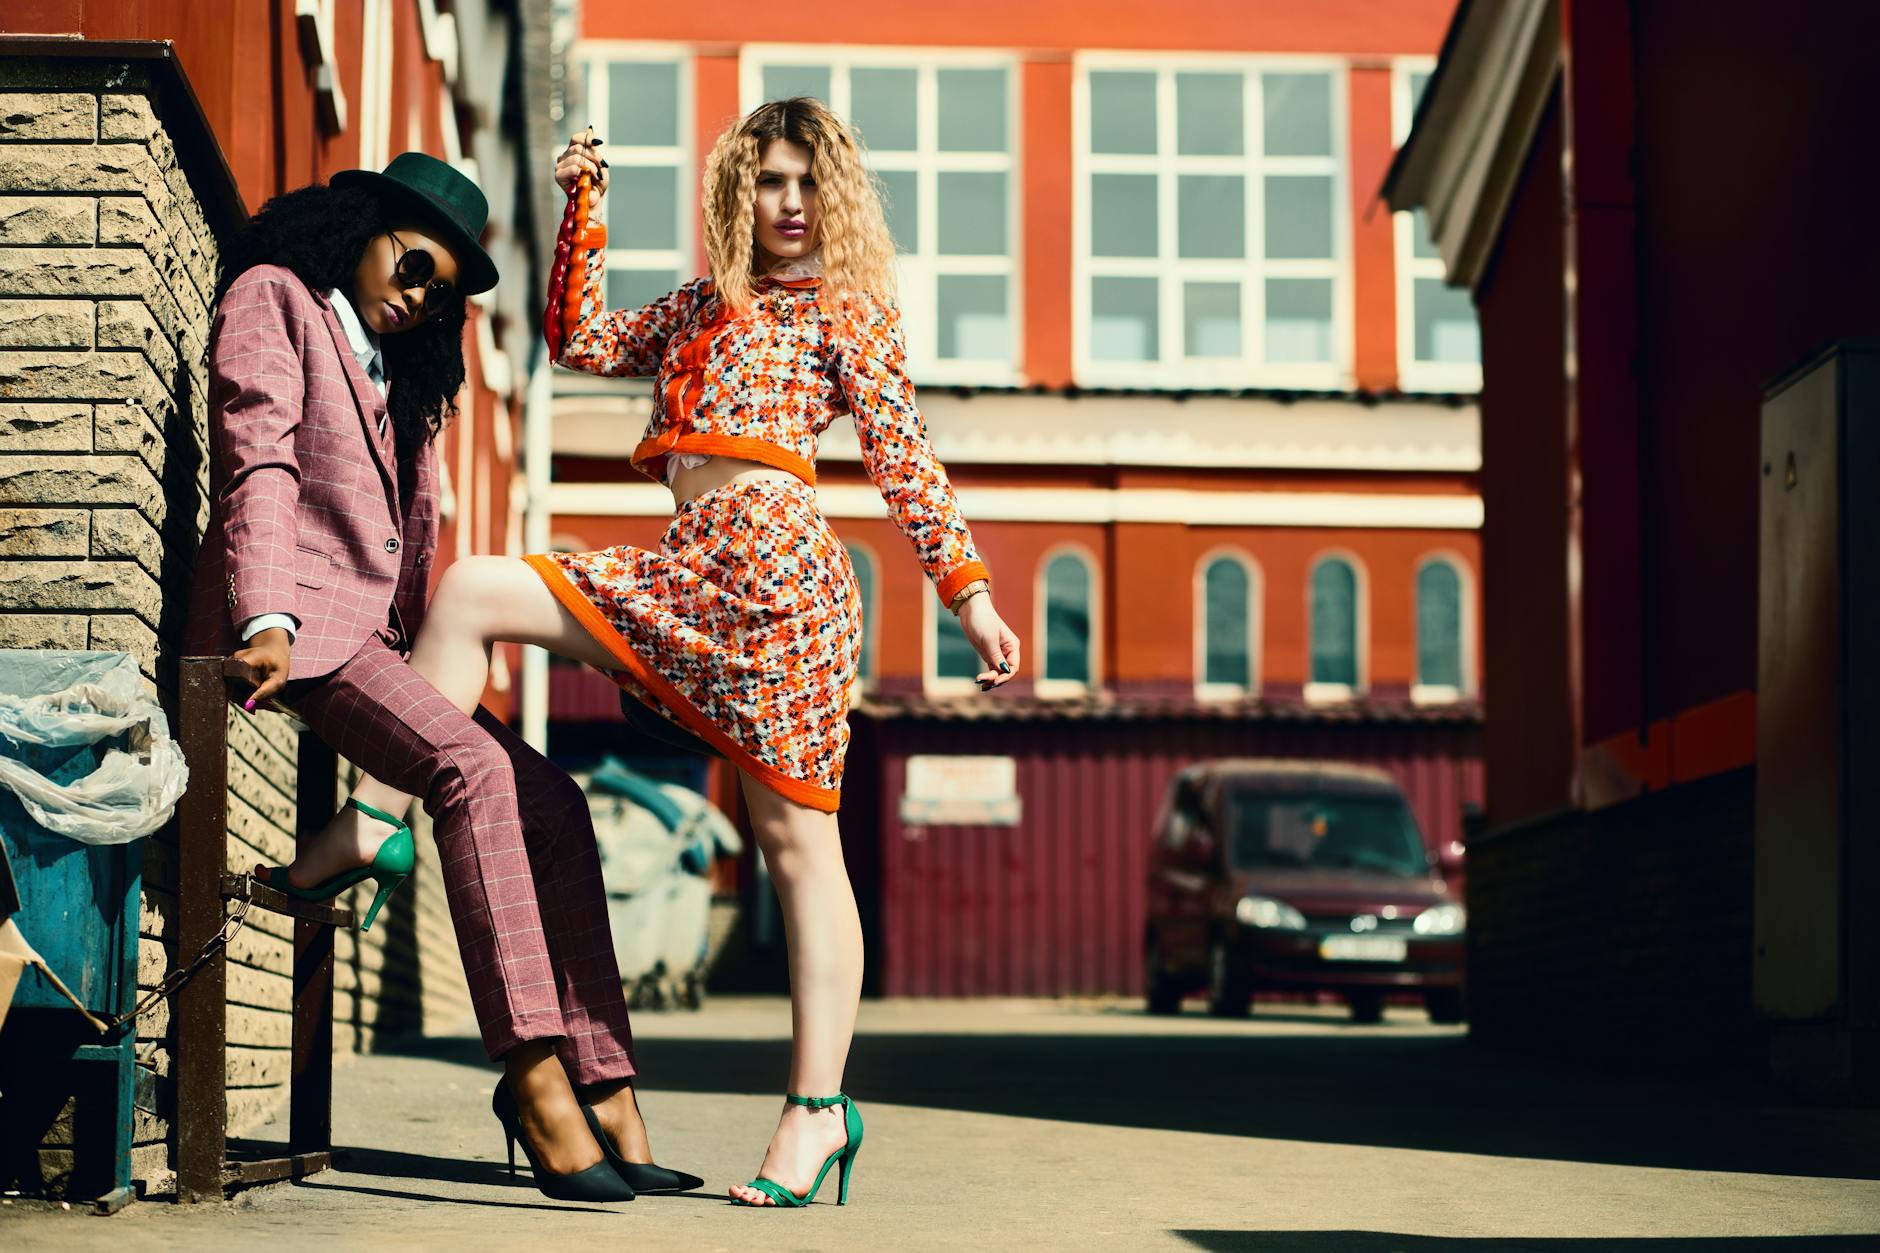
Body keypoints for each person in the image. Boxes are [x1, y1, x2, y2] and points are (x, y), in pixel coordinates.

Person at [283, 97, 1023, 1207]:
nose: (789, 202)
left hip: (782, 586)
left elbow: (904, 458)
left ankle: (816, 1110)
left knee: (796, 846)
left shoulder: (850, 310)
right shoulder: (697, 306)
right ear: (738, 192)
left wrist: (969, 596)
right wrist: (585, 204)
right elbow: (579, 340)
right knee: (476, 590)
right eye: (769, 180)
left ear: (835, 198)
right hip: (687, 567)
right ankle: (376, 821)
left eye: (808, 183)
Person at [185, 153, 697, 1204]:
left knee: (557, 804)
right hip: (295, 630)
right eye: (413, 262)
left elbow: (410, 544)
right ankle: (533, 1079)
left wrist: (433, 661)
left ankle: (605, 1085)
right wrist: (265, 616)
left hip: (377, 646)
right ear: (361, 225)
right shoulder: (277, 297)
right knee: (473, 768)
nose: (419, 294)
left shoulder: (399, 376)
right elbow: (257, 458)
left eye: (441, 290)